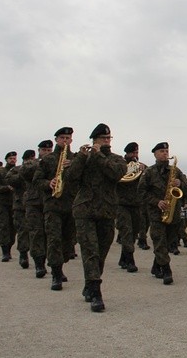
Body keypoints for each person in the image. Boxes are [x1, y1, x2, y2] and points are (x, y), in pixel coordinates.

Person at [65, 123, 126, 312]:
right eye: (103, 139)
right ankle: (96, 292)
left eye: (109, 139)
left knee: (102, 251)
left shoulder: (116, 159)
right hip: (85, 210)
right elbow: (70, 178)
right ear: (95, 140)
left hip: (107, 211)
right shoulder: (82, 158)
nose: (106, 142)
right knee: (90, 249)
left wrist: (99, 155)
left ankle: (90, 284)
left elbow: (116, 174)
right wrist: (82, 158)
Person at [33, 127, 77, 292]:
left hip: (71, 204)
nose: (65, 141)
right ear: (57, 140)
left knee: (68, 241)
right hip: (53, 205)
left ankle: (60, 264)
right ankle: (56, 273)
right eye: (62, 138)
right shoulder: (48, 159)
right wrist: (48, 183)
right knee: (54, 239)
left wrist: (73, 165)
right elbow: (37, 180)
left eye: (68, 138)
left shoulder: (76, 159)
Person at [139, 142, 187, 285]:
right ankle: (166, 270)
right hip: (156, 213)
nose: (165, 153)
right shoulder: (149, 172)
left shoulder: (176, 171)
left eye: (166, 150)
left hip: (173, 212)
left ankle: (156, 266)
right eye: (161, 151)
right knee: (159, 241)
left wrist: (181, 184)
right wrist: (156, 202)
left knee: (167, 241)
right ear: (155, 154)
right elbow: (141, 192)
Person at [24, 140, 53, 278]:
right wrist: (42, 163)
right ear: (39, 151)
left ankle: (54, 265)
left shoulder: (55, 162)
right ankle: (39, 264)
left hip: (51, 202)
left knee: (52, 234)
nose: (47, 153)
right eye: (44, 151)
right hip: (34, 203)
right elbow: (25, 172)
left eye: (49, 151)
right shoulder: (31, 163)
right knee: (36, 233)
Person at [116, 142, 144, 273]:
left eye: (136, 153)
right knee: (126, 231)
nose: (135, 156)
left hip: (136, 204)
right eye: (133, 153)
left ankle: (123, 258)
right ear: (127, 153)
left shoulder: (140, 167)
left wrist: (144, 171)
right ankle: (130, 260)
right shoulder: (120, 165)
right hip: (122, 204)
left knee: (133, 233)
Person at [6, 149, 36, 268]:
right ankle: (23, 254)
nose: (31, 161)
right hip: (20, 205)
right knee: (23, 231)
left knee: (36, 231)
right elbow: (10, 180)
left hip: (35, 203)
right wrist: (24, 172)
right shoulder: (16, 169)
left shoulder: (39, 166)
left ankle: (39, 259)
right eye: (29, 159)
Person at [0, 151, 17, 262]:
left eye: (14, 158)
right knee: (3, 227)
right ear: (6, 159)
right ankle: (5, 252)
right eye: (11, 158)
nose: (13, 160)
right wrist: (7, 188)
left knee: (13, 228)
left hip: (14, 203)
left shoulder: (17, 170)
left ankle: (9, 248)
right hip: (2, 203)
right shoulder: (0, 172)